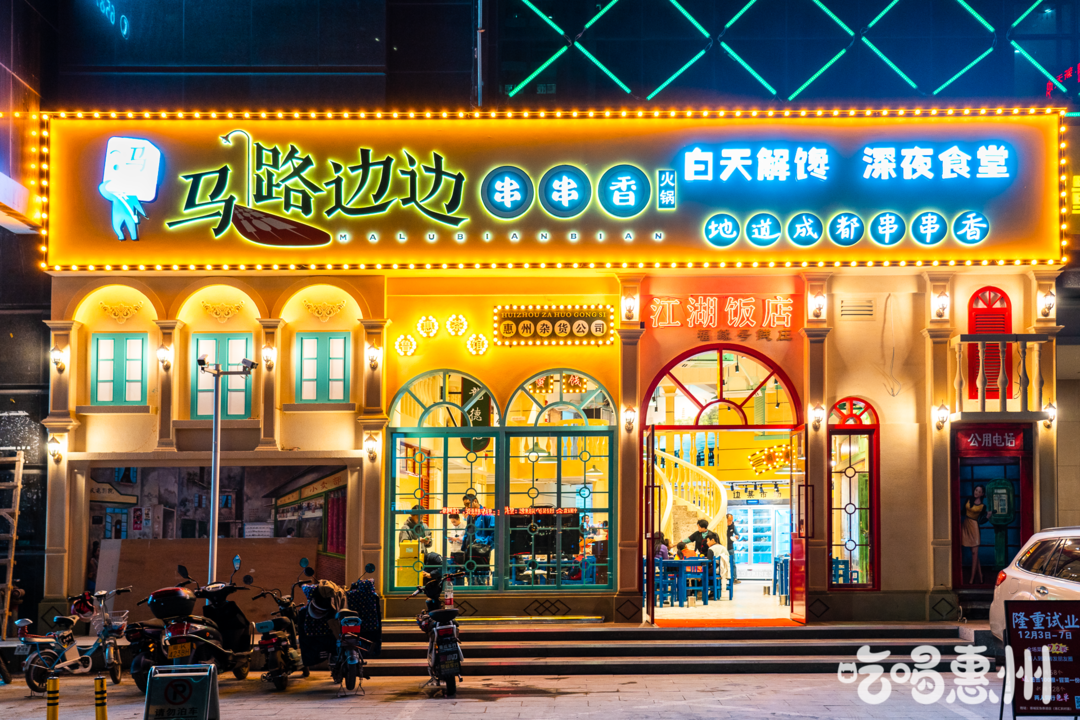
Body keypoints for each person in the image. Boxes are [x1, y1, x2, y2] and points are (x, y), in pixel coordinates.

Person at [462, 494, 493, 583]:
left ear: (475, 501)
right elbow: (468, 530)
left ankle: (481, 590)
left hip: (481, 549)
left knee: (481, 576)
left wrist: (487, 544)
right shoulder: (470, 516)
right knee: (470, 576)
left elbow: (494, 531)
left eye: (468, 504)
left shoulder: (487, 514)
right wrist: (464, 545)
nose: (467, 507)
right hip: (470, 549)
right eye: (465, 505)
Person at [963, 485, 989, 584]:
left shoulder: (982, 506)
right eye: (976, 490)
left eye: (979, 491)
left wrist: (988, 516)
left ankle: (972, 579)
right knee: (974, 553)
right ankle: (980, 575)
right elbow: (962, 511)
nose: (976, 492)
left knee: (974, 553)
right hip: (966, 525)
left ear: (982, 494)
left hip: (974, 527)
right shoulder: (968, 500)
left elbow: (981, 520)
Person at [726, 513, 742, 584]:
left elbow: (738, 534)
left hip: (730, 547)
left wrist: (737, 536)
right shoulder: (722, 526)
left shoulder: (733, 526)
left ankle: (734, 579)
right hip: (723, 548)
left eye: (731, 520)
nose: (730, 522)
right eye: (729, 520)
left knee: (733, 563)